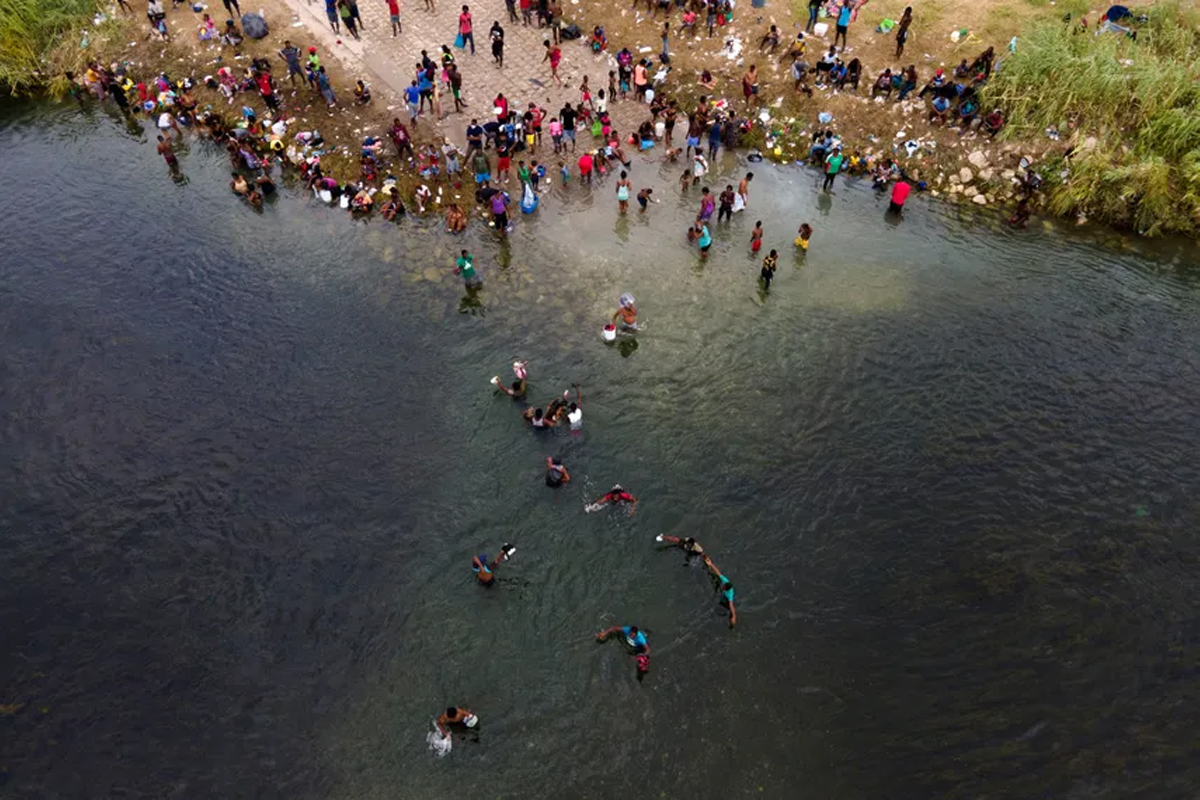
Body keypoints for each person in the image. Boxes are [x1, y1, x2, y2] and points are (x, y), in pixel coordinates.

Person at [703, 556, 738, 627]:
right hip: (724, 593)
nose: (723, 586)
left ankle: (731, 620)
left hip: (726, 599)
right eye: (724, 586)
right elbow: (718, 572)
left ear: (726, 589)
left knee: (723, 604)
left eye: (724, 587)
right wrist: (711, 564)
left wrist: (734, 616)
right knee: (716, 579)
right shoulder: (725, 581)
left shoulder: (730, 595)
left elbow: (731, 606)